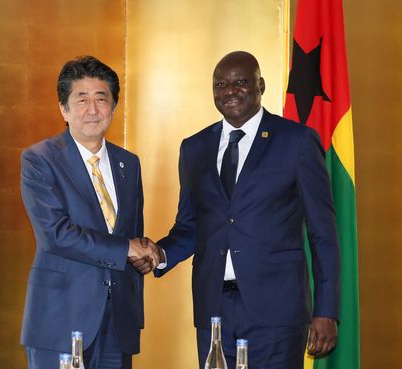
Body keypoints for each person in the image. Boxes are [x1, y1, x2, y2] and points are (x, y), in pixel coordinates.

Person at [146, 51, 340, 369]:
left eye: (240, 82)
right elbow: (191, 226)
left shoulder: (297, 141)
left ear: (260, 85)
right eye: (220, 84)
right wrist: (159, 254)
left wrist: (326, 310)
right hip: (214, 310)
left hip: (277, 311)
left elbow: (324, 235)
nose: (230, 91)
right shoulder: (194, 148)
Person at [20, 56, 159, 369]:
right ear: (64, 109)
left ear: (113, 106)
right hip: (60, 320)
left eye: (101, 99)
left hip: (118, 322)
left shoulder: (129, 163)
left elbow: (131, 232)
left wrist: (142, 254)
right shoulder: (40, 160)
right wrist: (127, 249)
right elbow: (56, 235)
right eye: (81, 100)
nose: (92, 110)